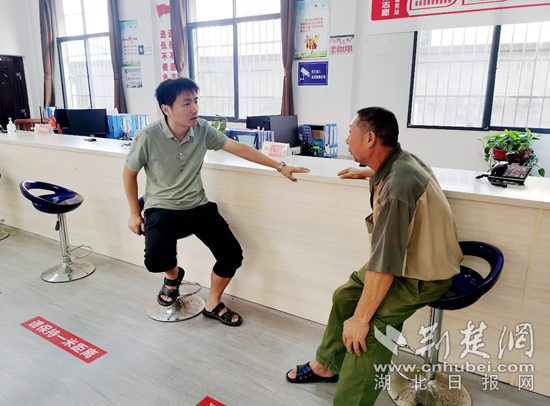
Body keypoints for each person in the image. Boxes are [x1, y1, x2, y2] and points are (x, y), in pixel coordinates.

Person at [286, 107, 463, 405]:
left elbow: (386, 264)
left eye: (350, 133)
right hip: (407, 260)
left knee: (369, 330)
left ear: (369, 139)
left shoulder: (397, 187)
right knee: (345, 296)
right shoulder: (401, 162)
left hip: (423, 275)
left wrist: (360, 319)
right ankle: (327, 365)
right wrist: (369, 172)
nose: (346, 140)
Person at [123, 77, 309, 327]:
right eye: (186, 103)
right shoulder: (147, 137)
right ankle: (173, 276)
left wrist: (280, 166)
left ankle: (212, 303)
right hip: (161, 207)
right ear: (166, 109)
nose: (195, 109)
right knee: (155, 261)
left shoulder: (201, 129)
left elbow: (238, 148)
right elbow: (129, 174)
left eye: (196, 101)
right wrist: (134, 212)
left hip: (198, 205)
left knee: (232, 255)